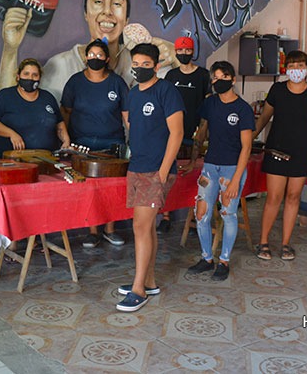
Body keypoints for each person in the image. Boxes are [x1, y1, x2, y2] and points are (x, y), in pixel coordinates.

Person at [0, 0, 176, 101]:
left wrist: (176, 58)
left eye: (116, 3)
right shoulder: (61, 66)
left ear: (127, 17)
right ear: (85, 12)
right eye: (98, 1)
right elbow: (12, 106)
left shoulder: (143, 65)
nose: (107, 11)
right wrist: (10, 50)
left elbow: (176, 100)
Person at [116, 43, 184, 312]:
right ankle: (150, 280)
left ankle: (137, 289)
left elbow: (176, 133)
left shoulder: (166, 91)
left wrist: (163, 172)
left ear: (157, 66)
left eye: (146, 64)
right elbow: (133, 125)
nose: (140, 68)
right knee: (146, 227)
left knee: (140, 227)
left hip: (156, 170)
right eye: (137, 64)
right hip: (137, 167)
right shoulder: (133, 93)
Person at [253, 51, 307, 261]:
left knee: (293, 197)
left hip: (303, 153)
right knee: (274, 197)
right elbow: (264, 118)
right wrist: (250, 138)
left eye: (300, 65)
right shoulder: (277, 89)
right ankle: (264, 242)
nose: (296, 70)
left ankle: (286, 243)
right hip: (276, 150)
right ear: (286, 69)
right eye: (292, 66)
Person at [186, 61, 254, 282]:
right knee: (201, 214)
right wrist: (194, 158)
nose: (218, 81)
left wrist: (235, 181)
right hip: (210, 167)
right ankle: (207, 258)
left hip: (231, 169)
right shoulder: (210, 103)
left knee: (228, 214)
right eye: (214, 78)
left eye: (223, 77)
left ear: (233, 80)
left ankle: (224, 261)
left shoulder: (243, 109)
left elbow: (247, 147)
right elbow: (202, 131)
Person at [60, 39, 129, 248]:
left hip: (112, 143)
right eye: (92, 54)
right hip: (83, 144)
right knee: (89, 189)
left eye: (100, 55)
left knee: (111, 189)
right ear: (85, 57)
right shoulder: (75, 82)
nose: (95, 58)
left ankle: (110, 229)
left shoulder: (117, 83)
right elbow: (65, 112)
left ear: (107, 59)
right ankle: (93, 231)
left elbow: (127, 116)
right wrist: (66, 141)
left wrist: (134, 140)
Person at [156, 36, 211, 232]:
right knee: (170, 174)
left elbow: (208, 106)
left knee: (195, 176)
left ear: (193, 52)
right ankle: (166, 216)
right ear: (176, 52)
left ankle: (196, 215)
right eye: (180, 51)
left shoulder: (203, 75)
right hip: (172, 133)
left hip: (194, 131)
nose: (184, 54)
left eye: (188, 51)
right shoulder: (171, 76)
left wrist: (202, 132)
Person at [0, 58, 70, 156]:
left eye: (35, 75)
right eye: (26, 74)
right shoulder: (4, 96)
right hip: (13, 159)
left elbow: (59, 123)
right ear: (18, 77)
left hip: (47, 159)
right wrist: (11, 134)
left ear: (39, 78)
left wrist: (66, 141)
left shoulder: (48, 97)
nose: (30, 78)